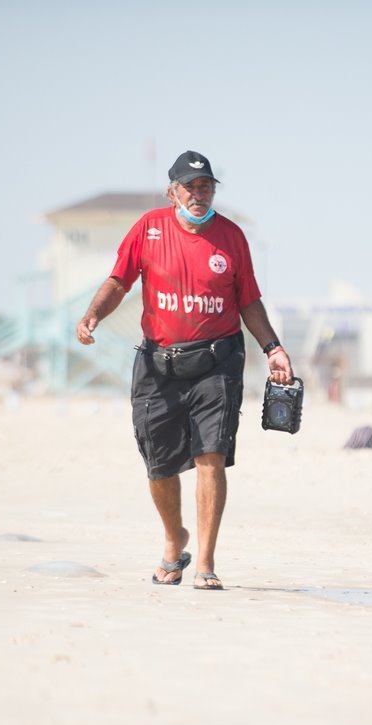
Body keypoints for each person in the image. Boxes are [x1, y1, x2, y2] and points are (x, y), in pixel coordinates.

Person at [76, 150, 293, 590]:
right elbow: (119, 280)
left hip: (218, 360)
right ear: (172, 192)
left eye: (206, 186)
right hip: (159, 362)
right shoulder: (149, 228)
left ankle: (206, 564)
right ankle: (174, 541)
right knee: (159, 465)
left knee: (211, 456)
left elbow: (249, 299)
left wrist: (272, 347)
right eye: (190, 187)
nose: (199, 194)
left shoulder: (231, 237)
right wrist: (93, 314)